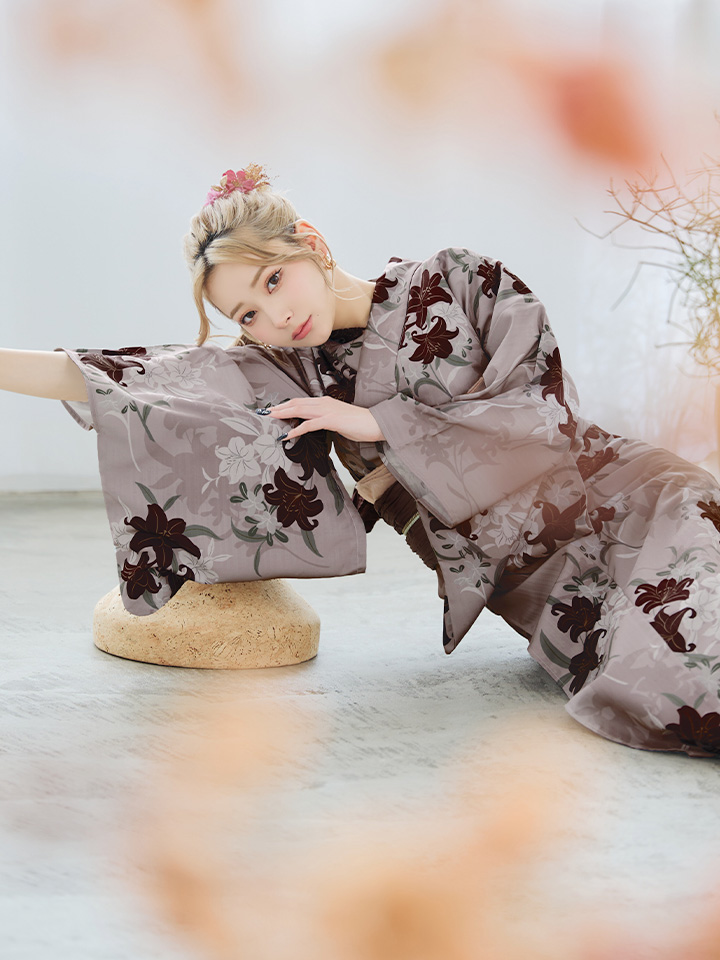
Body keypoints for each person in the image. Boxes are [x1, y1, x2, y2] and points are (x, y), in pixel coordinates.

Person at [2, 164, 719, 758]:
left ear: (310, 244)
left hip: (639, 504)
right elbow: (132, 376)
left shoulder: (457, 279)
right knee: (663, 690)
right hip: (546, 589)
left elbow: (543, 410)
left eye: (273, 281)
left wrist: (376, 422)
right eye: (246, 314)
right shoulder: (289, 373)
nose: (275, 318)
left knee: (697, 654)